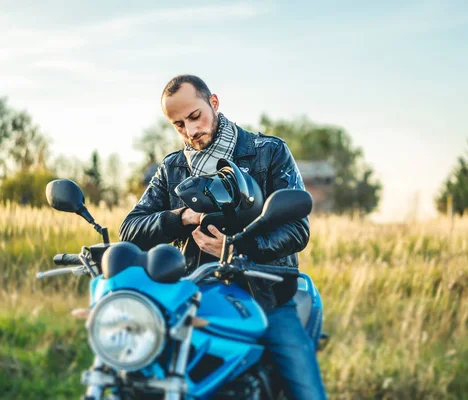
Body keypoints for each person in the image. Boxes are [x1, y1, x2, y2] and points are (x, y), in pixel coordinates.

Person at [119, 74, 327, 400]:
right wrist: (183, 217)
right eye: (178, 125)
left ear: (213, 103)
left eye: (194, 116)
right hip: (192, 299)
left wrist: (237, 247)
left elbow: (296, 229)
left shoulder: (268, 152)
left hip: (265, 295)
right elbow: (130, 229)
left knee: (307, 392)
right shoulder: (173, 167)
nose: (190, 131)